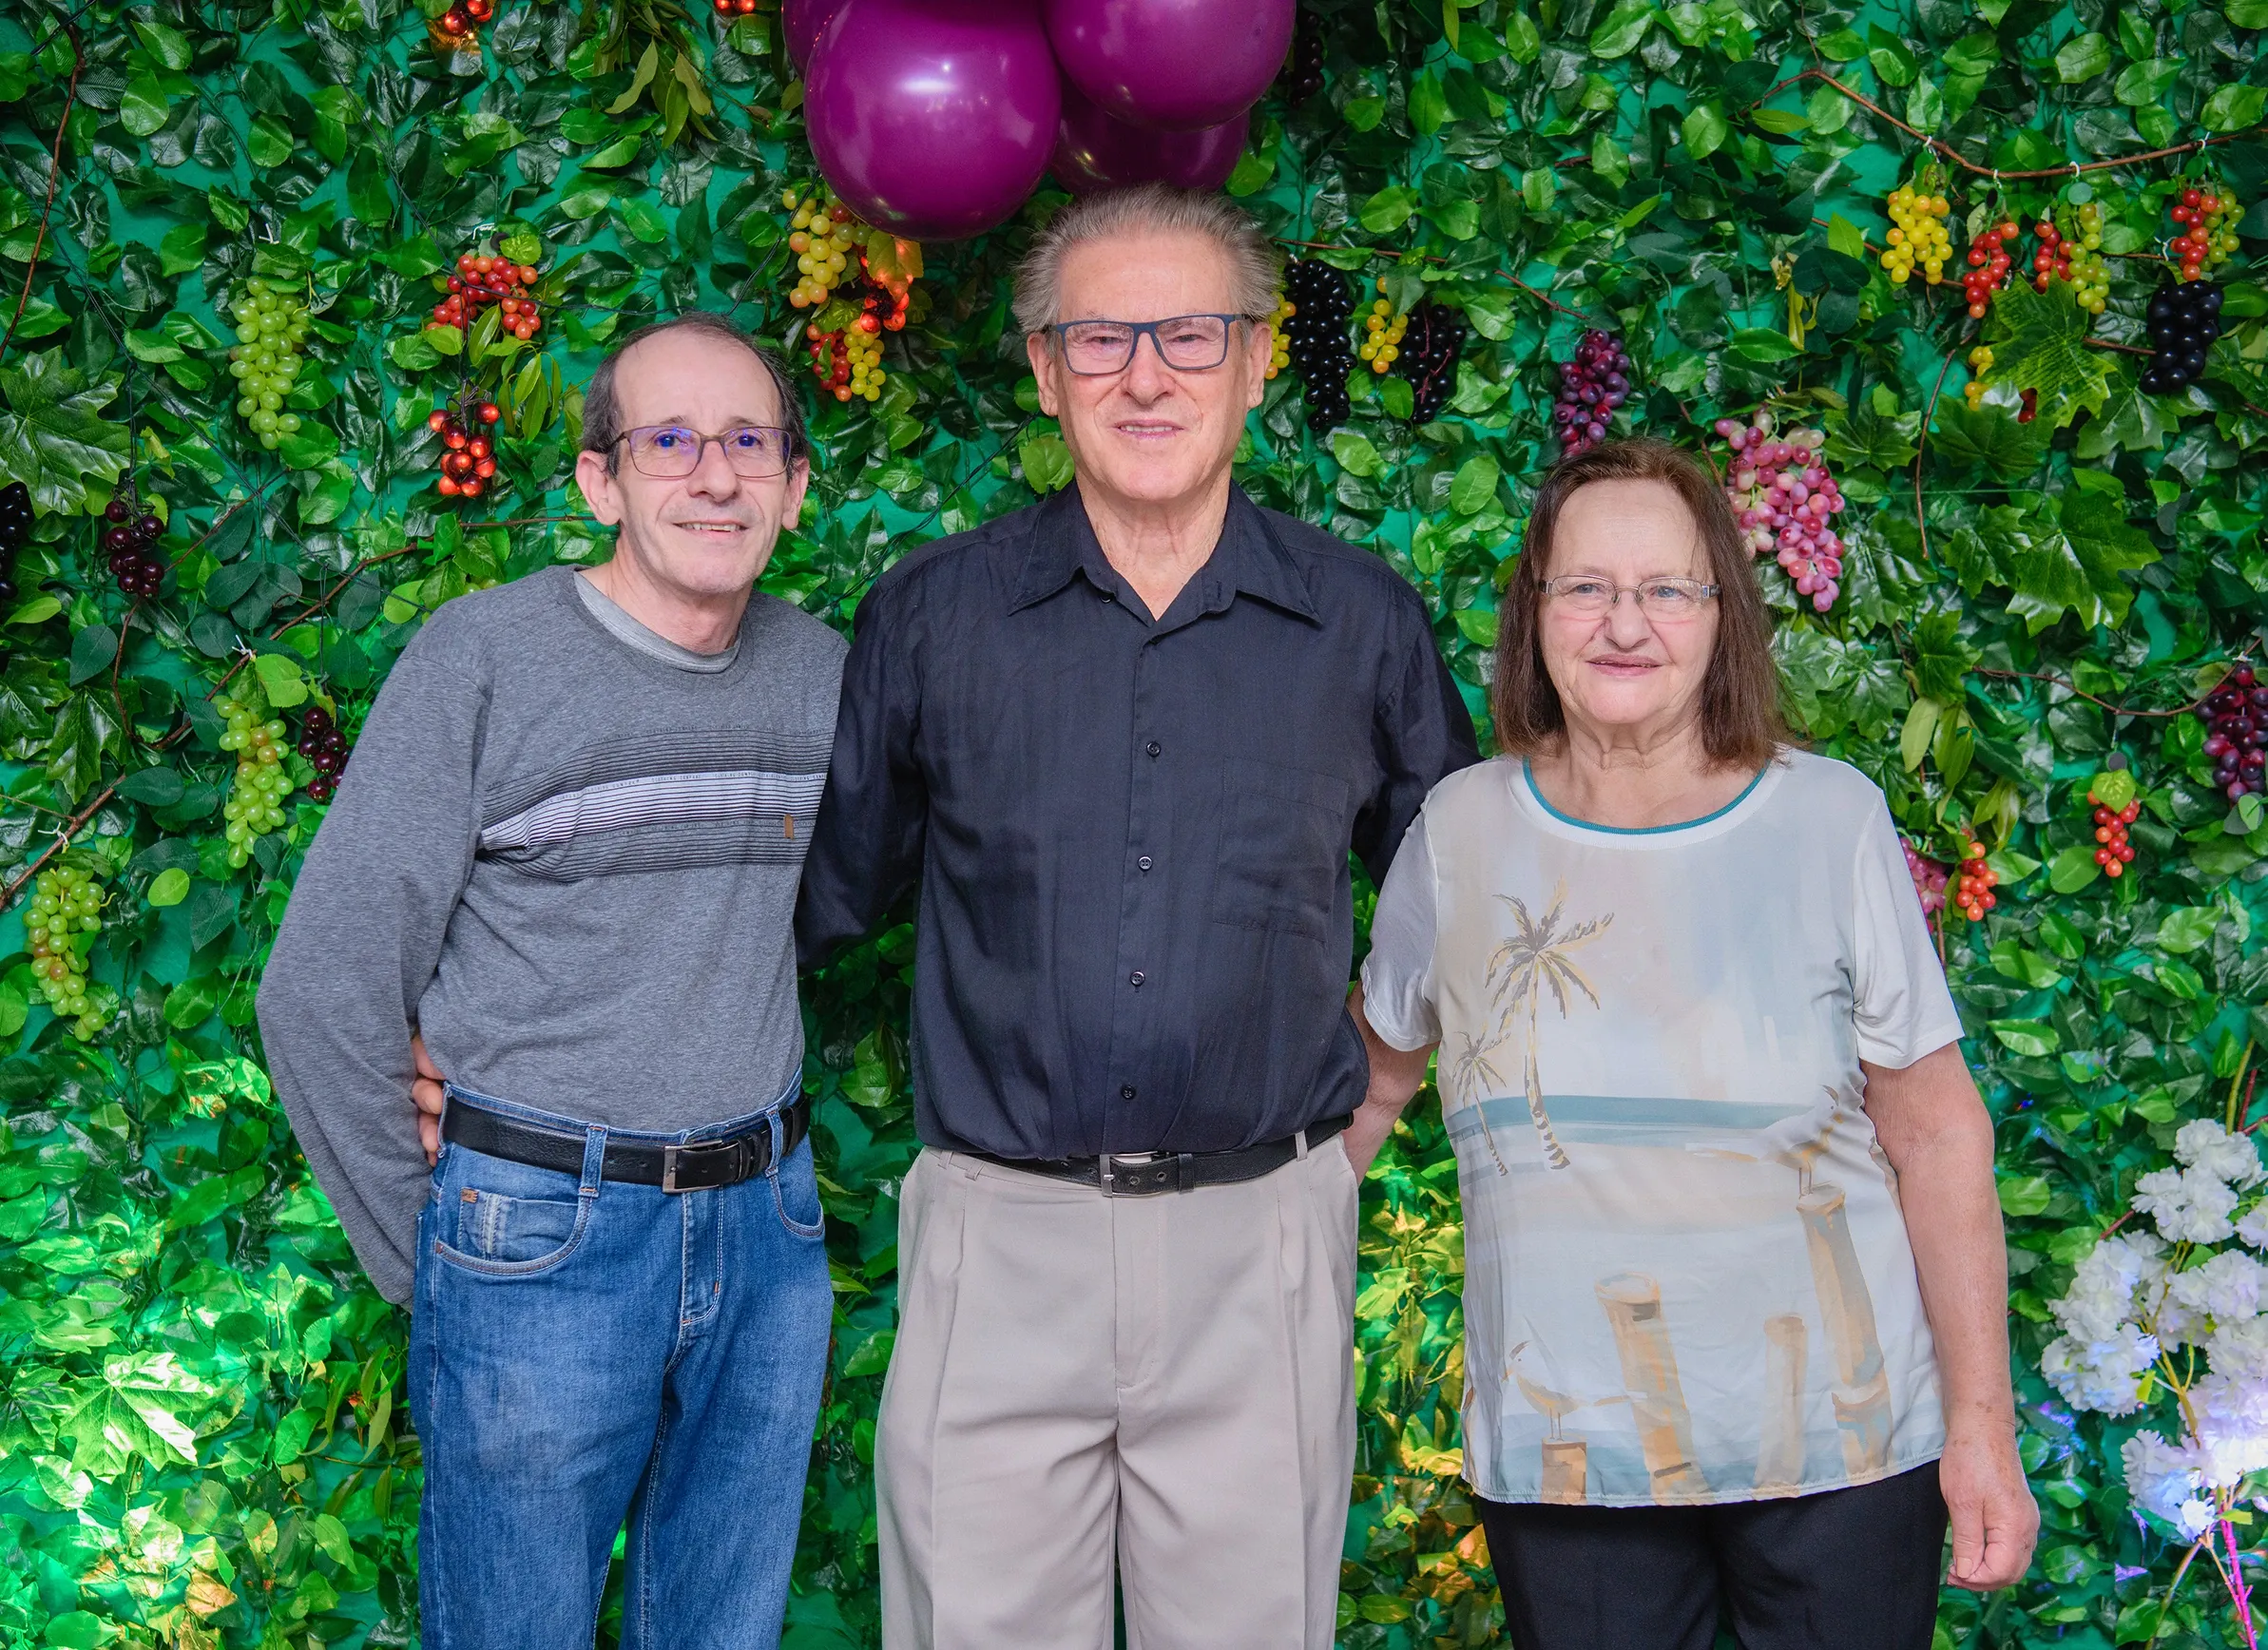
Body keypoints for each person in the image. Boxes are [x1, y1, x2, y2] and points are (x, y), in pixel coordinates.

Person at [795, 183, 1478, 1650]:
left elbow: (1463, 900)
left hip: (1263, 1238)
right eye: (1100, 340)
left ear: (1254, 356)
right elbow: (814, 903)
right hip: (998, 1238)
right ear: (1043, 372)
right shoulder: (929, 617)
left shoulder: (1363, 623)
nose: (1146, 375)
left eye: (1187, 333)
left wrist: (1373, 1098)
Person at [1349, 436, 2038, 1647]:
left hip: (1845, 1451)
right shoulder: (1456, 833)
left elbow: (1934, 1130)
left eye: (1667, 588)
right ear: (1534, 610)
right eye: (1587, 587)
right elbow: (1361, 1095)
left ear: (1722, 615)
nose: (1626, 624)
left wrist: (1982, 1427)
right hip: (1569, 1461)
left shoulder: (1829, 817)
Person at [256, 312, 845, 1650]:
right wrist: (443, 1257)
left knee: (723, 1632)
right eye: (670, 441)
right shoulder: (484, 660)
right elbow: (321, 989)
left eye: (750, 442)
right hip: (540, 1234)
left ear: (796, 487)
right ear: (600, 479)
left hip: (767, 1236)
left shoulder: (823, 678)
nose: (714, 476)